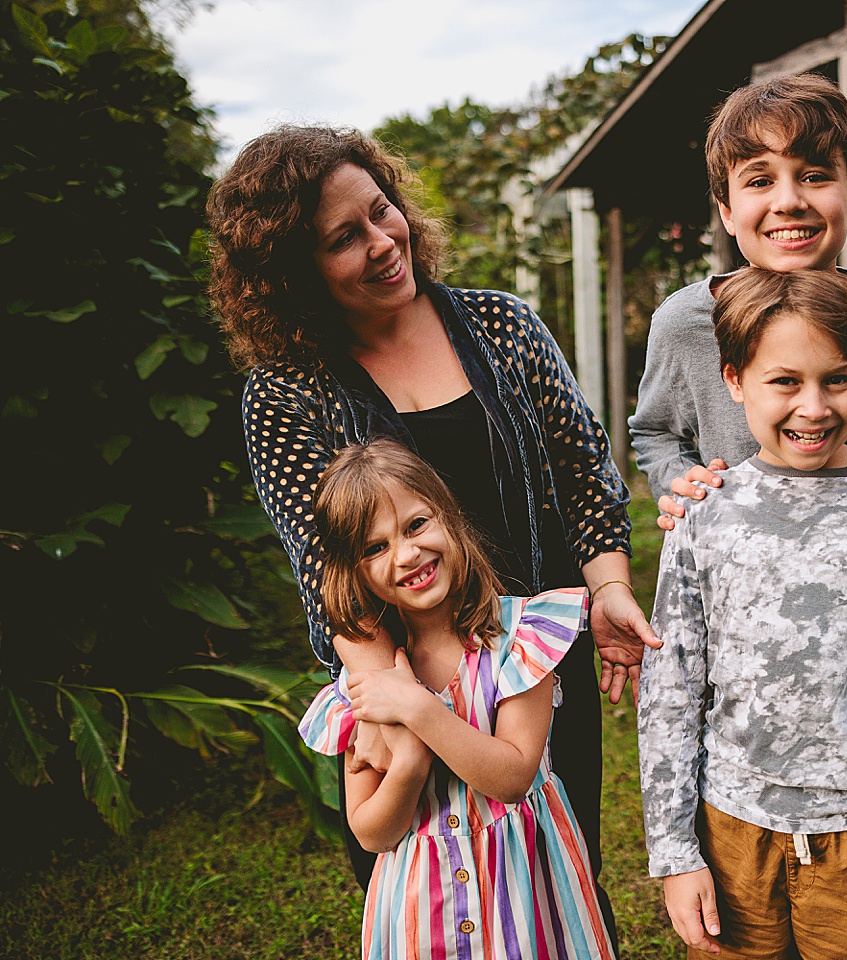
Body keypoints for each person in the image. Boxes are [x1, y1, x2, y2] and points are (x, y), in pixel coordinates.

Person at [206, 126, 654, 931]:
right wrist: (403, 710)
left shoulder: (504, 327)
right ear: (293, 272)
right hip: (404, 685)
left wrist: (611, 589)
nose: (383, 242)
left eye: (383, 212)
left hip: (531, 678)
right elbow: (329, 574)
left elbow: (586, 479)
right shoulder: (288, 394)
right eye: (345, 238)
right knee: (436, 913)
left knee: (554, 893)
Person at [638, 268, 847, 958]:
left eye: (837, 379)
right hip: (732, 827)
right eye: (784, 381)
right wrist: (675, 853)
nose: (814, 407)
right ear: (734, 380)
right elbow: (669, 690)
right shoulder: (703, 511)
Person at [297, 438, 614, 959]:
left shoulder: (520, 638)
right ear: (352, 571)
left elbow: (512, 778)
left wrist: (420, 712)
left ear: (450, 518)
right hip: (425, 910)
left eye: (416, 525)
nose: (406, 554)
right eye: (374, 548)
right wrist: (409, 766)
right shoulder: (367, 683)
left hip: (526, 893)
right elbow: (371, 832)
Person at [629, 72, 847, 526]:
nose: (789, 201)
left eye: (815, 176)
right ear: (727, 212)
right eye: (759, 182)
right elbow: (655, 430)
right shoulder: (686, 322)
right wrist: (681, 482)